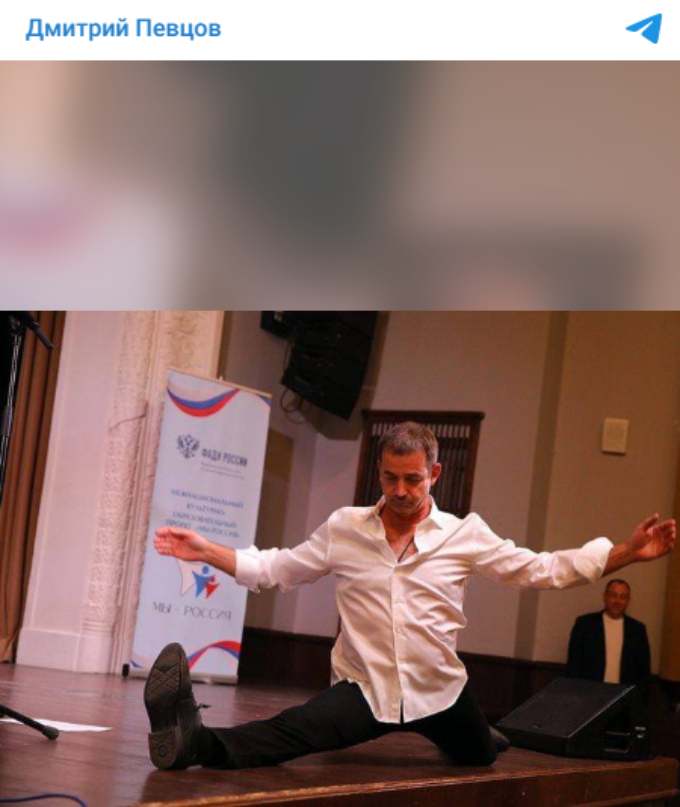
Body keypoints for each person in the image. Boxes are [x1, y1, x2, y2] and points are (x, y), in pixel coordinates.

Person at [143, 422, 675, 771]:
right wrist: (207, 550)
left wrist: (626, 552)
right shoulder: (345, 528)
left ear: (434, 474)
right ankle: (194, 740)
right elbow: (276, 568)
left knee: (479, 755)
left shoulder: (464, 534)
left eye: (413, 480)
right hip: (366, 690)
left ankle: (487, 736)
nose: (400, 491)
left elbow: (541, 570)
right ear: (380, 471)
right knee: (295, 731)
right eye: (390, 478)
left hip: (439, 692)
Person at [566, 578, 651, 685]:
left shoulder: (638, 630)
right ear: (605, 597)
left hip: (623, 692)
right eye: (613, 595)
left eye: (623, 597)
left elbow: (643, 671)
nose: (617, 601)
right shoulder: (585, 625)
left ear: (628, 601)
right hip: (589, 690)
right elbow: (573, 664)